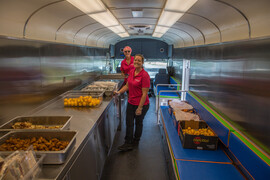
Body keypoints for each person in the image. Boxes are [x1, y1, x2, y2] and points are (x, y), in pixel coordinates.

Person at [115, 54, 150, 151]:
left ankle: (136, 141)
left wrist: (140, 108)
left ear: (142, 63)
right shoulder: (131, 71)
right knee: (129, 123)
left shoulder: (145, 75)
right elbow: (127, 85)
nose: (136, 62)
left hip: (141, 104)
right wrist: (119, 92)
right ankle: (127, 143)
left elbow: (144, 94)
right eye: (135, 60)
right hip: (131, 102)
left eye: (139, 61)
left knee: (138, 123)